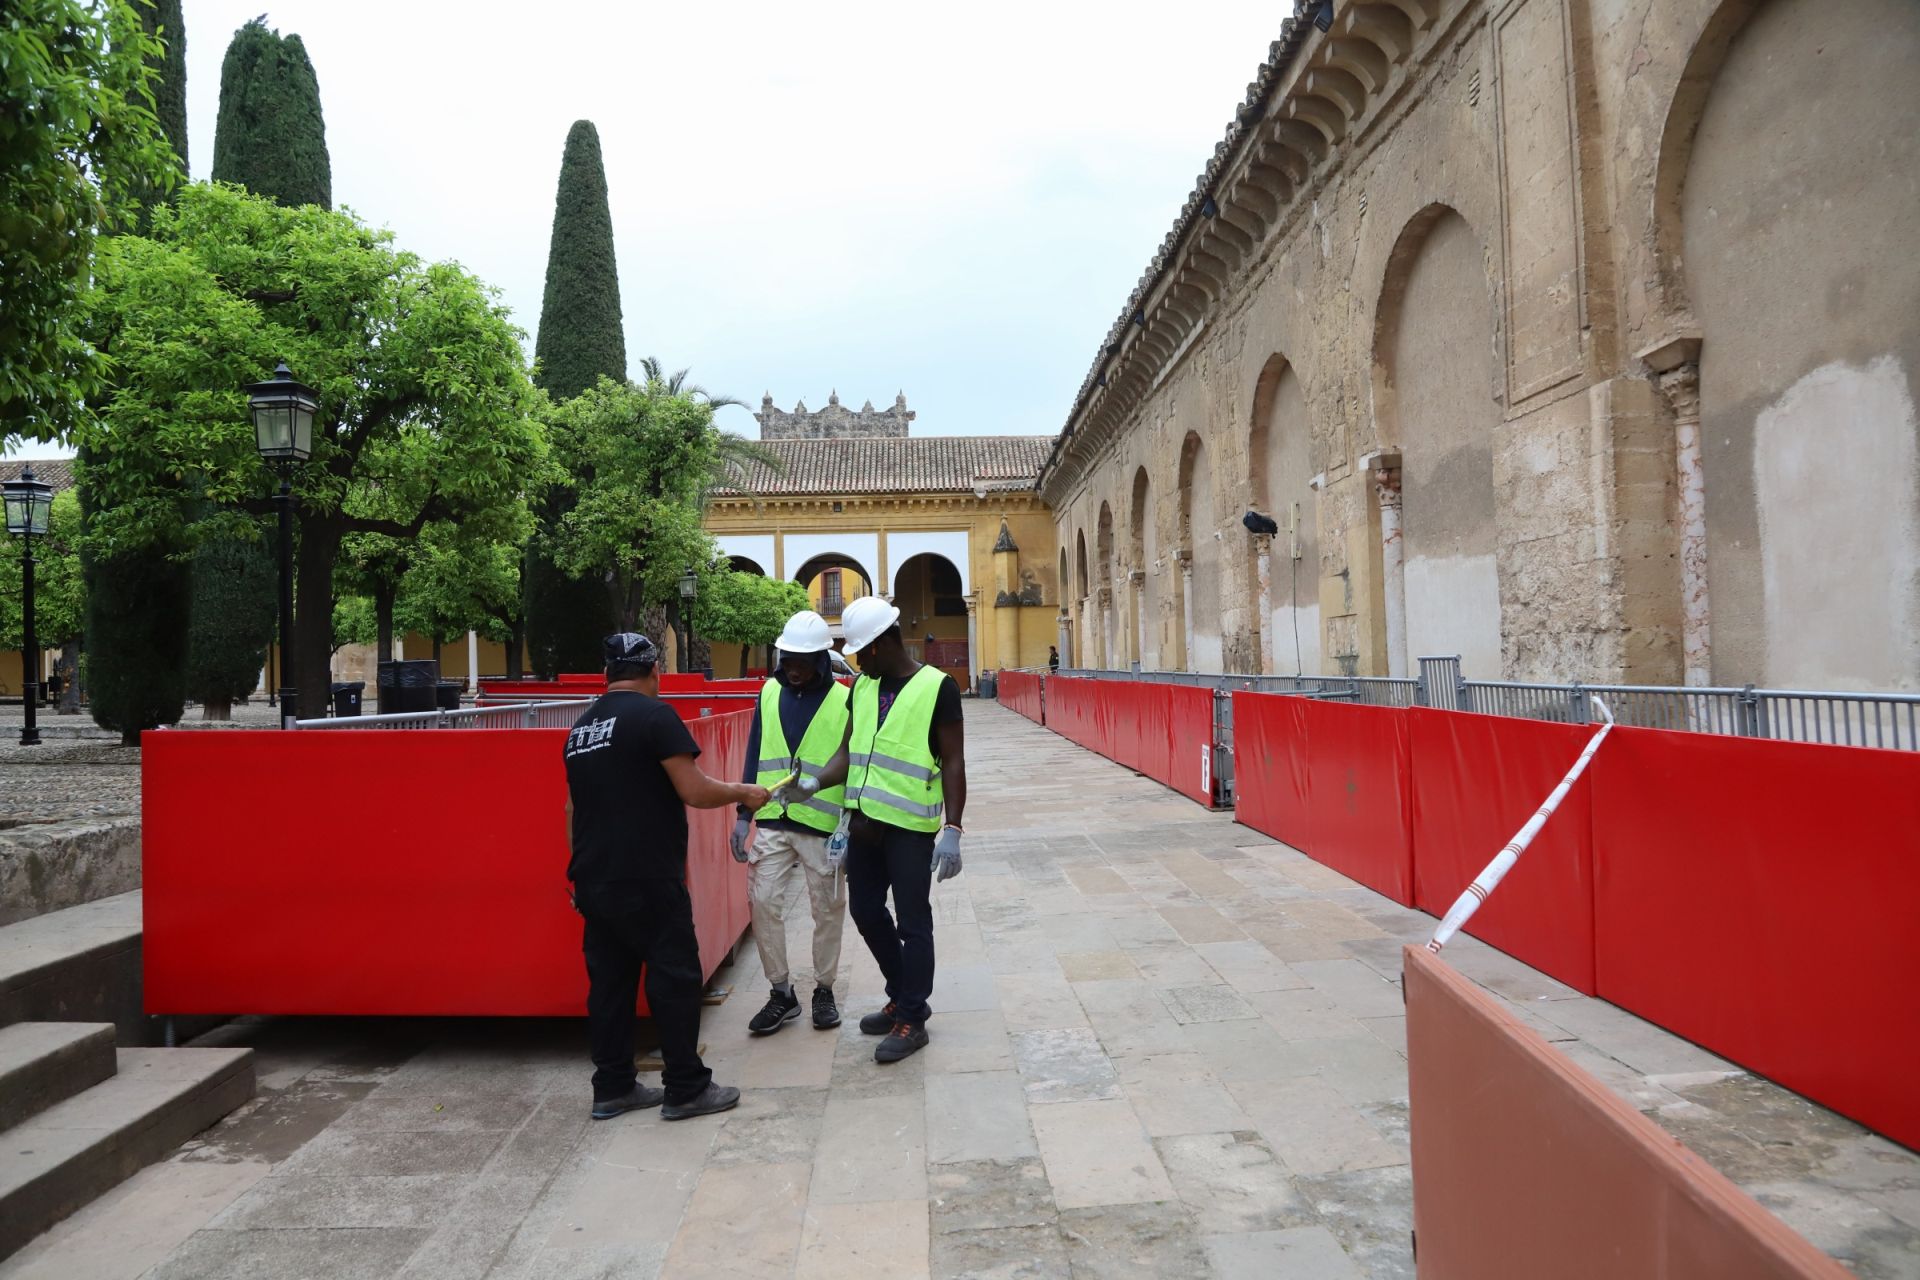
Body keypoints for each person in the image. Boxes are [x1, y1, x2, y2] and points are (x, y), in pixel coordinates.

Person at [563, 632, 768, 1122]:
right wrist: (745, 792)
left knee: (610, 985)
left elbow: (572, 808)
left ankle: (612, 1087)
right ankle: (685, 1087)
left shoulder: (581, 730)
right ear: (655, 670)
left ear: (606, 674)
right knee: (674, 978)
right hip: (649, 877)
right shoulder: (656, 717)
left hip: (595, 879)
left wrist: (579, 873)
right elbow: (694, 791)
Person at [805, 596, 965, 1063]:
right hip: (864, 825)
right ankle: (903, 993)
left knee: (914, 922)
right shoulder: (861, 687)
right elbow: (847, 751)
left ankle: (912, 1019)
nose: (855, 660)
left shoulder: (939, 687)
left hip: (909, 828)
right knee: (866, 911)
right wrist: (814, 781)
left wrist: (953, 828)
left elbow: (953, 760)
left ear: (877, 645)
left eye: (859, 651)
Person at [730, 610, 850, 1035]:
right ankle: (781, 992)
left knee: (828, 908)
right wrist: (744, 815)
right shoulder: (767, 693)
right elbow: (754, 751)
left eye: (802, 660)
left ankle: (824, 989)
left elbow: (852, 763)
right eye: (788, 659)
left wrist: (850, 826)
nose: (793, 668)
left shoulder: (844, 699)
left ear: (821, 659)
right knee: (762, 902)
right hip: (773, 818)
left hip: (822, 825)